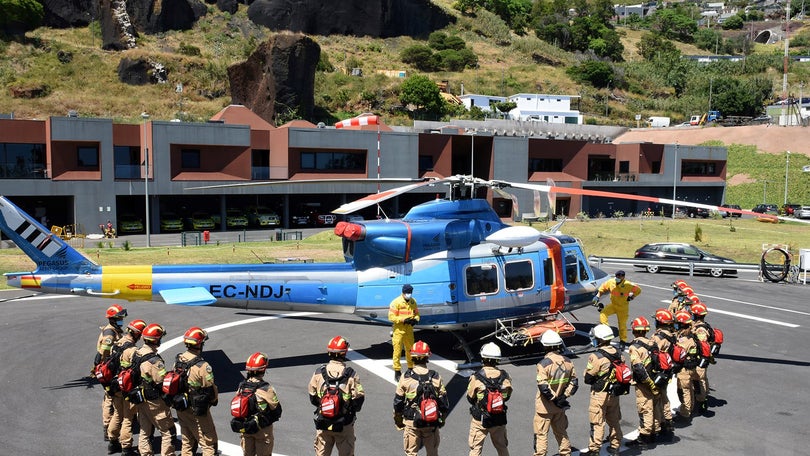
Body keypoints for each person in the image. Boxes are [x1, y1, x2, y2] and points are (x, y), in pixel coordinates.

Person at [122, 323, 176, 456]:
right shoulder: (154, 361)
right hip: (154, 401)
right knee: (168, 432)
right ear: (156, 340)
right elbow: (161, 381)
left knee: (144, 431)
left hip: (140, 398)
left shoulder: (137, 353)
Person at [308, 335, 365, 456]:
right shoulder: (351, 374)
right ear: (344, 353)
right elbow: (358, 400)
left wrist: (326, 407)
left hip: (323, 421)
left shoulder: (319, 372)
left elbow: (312, 397)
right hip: (344, 423)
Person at [393, 341, 449, 456]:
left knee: (411, 453)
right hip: (431, 422)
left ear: (412, 357)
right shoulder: (435, 376)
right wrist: (442, 420)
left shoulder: (405, 377)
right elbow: (443, 403)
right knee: (432, 453)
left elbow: (398, 403)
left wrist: (398, 421)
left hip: (411, 422)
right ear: (428, 357)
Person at [175, 326, 219, 456]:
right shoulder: (203, 366)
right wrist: (214, 400)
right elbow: (210, 389)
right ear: (200, 344)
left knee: (187, 440)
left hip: (181, 405)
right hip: (197, 409)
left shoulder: (179, 360)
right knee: (209, 442)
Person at [533, 331, 578, 456]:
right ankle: (565, 453)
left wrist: (553, 398)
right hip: (559, 407)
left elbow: (543, 386)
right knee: (561, 432)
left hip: (544, 407)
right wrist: (563, 397)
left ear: (545, 346)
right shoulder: (568, 361)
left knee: (541, 435)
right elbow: (574, 382)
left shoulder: (543, 364)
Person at [106, 318, 147, 455]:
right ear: (136, 334)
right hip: (126, 388)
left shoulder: (116, 344)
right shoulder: (133, 350)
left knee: (117, 414)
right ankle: (126, 447)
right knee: (128, 418)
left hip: (114, 385)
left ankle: (112, 442)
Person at [582, 324, 624, 456]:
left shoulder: (596, 357)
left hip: (600, 394)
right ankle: (615, 445)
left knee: (597, 422)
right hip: (614, 393)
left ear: (599, 339)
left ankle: (594, 449)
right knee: (613, 420)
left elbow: (588, 378)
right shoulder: (619, 353)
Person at [467, 342, 512, 456]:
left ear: (483, 358)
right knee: (502, 447)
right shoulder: (505, 377)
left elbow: (470, 397)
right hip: (498, 418)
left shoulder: (476, 377)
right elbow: (506, 397)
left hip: (480, 419)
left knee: (475, 449)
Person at [234, 352, 282, 456]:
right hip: (262, 431)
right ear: (263, 369)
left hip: (246, 428)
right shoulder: (265, 388)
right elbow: (277, 410)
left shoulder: (241, 386)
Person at [626, 316, 660, 449]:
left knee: (645, 408)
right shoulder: (652, 342)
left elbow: (638, 368)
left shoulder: (634, 347)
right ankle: (653, 432)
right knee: (654, 406)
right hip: (656, 378)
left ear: (634, 330)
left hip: (644, 383)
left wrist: (649, 383)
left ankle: (645, 437)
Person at [95, 303, 127, 443]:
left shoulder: (114, 330)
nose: (122, 319)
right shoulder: (110, 333)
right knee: (110, 398)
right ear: (112, 319)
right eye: (119, 317)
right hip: (109, 370)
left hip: (108, 368)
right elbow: (104, 352)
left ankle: (108, 427)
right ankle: (108, 428)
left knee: (109, 397)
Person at [592, 270, 641, 347]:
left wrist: (632, 297)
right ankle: (606, 331)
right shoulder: (611, 282)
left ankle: (623, 341)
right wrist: (597, 296)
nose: (618, 277)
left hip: (623, 307)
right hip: (613, 305)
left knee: (622, 325)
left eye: (620, 276)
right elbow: (602, 288)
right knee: (603, 313)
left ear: (623, 277)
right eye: (617, 276)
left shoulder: (628, 284)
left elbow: (638, 290)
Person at [650, 309, 677, 441]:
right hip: (668, 370)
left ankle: (658, 427)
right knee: (664, 396)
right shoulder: (672, 335)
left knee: (656, 400)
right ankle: (668, 421)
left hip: (659, 372)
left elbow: (653, 353)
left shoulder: (658, 337)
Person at [673, 310, 700, 425]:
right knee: (689, 390)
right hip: (691, 367)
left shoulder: (684, 340)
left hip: (684, 369)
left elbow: (678, 351)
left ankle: (685, 414)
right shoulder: (690, 335)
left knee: (685, 391)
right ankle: (690, 409)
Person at [389, 284, 420, 381]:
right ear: (403, 292)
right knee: (397, 351)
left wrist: (415, 320)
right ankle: (397, 371)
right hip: (399, 330)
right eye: (407, 293)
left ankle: (411, 368)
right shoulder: (396, 302)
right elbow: (391, 317)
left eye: (410, 293)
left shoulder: (413, 301)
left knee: (410, 350)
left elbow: (417, 314)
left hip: (409, 330)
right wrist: (403, 320)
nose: (409, 294)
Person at [690, 301, 714, 413]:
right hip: (702, 357)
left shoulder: (700, 329)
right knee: (702, 378)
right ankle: (702, 397)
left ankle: (702, 402)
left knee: (699, 380)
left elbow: (702, 343)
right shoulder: (702, 325)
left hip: (700, 358)